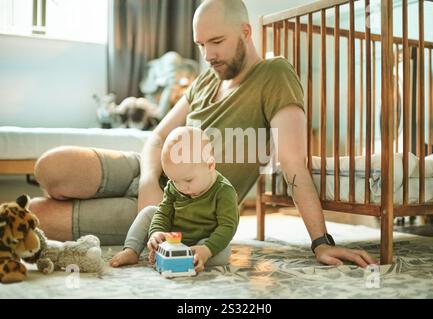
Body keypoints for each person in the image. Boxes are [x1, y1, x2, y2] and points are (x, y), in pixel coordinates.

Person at [30, 0, 376, 268]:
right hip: (147, 176)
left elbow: (292, 163)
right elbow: (157, 137)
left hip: (182, 208)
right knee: (51, 167)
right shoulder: (207, 78)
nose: (208, 55)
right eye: (200, 45)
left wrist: (322, 242)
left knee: (36, 214)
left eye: (217, 41)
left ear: (245, 31)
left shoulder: (275, 74)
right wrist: (150, 179)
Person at [110, 126, 239, 272]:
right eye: (175, 181)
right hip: (171, 239)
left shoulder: (224, 191)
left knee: (223, 250)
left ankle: (193, 258)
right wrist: (156, 233)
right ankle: (131, 250)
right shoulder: (174, 186)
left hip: (202, 241)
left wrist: (207, 249)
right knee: (149, 212)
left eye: (188, 180)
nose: (182, 187)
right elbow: (163, 213)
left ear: (210, 165)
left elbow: (227, 227)